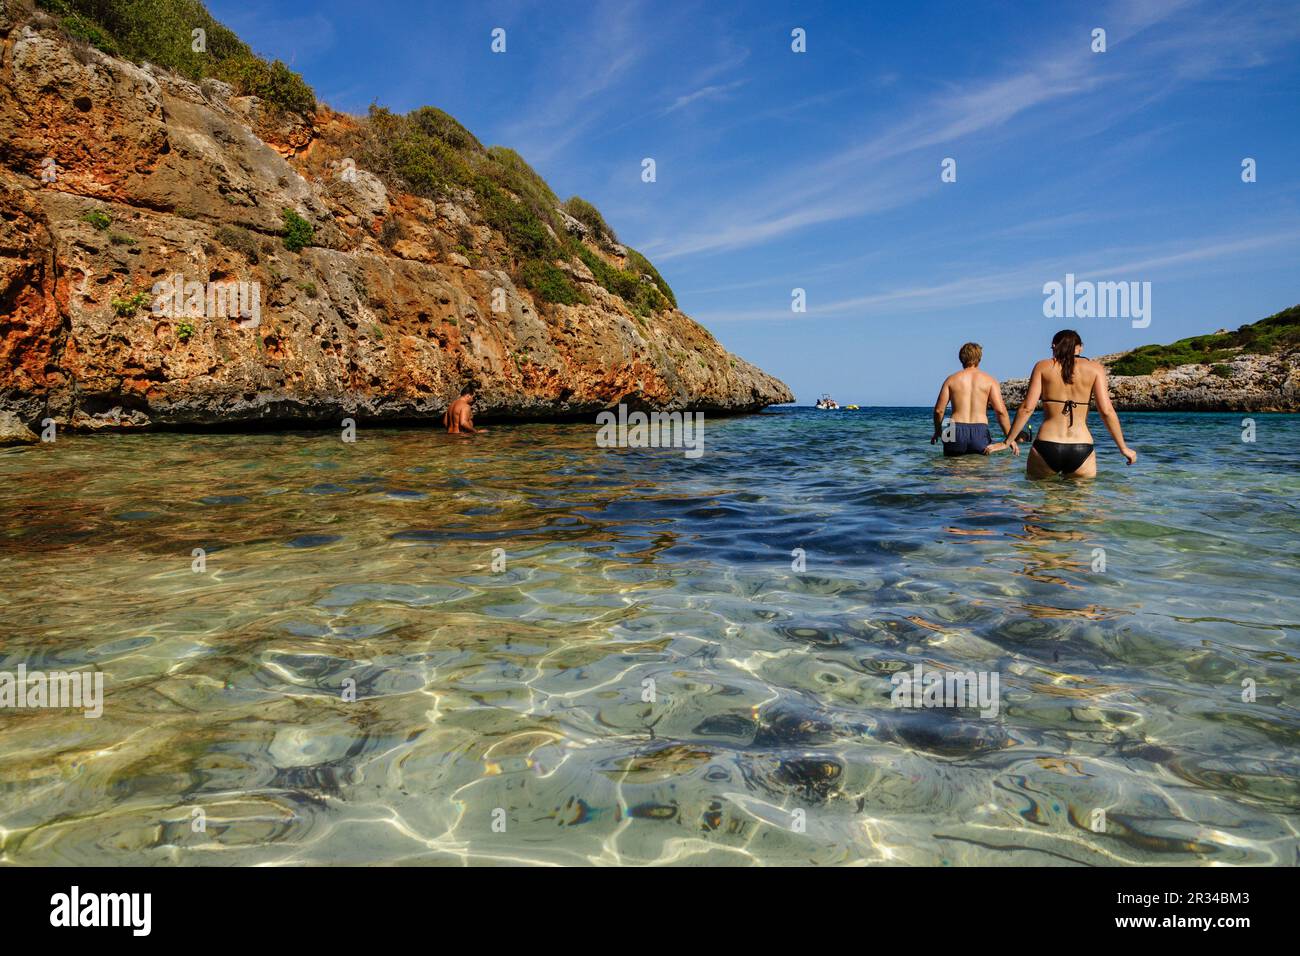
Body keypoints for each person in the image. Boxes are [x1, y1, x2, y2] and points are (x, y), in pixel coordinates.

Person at [986, 329, 1137, 477]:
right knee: (1077, 500)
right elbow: (1106, 411)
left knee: (1039, 499)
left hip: (1047, 445)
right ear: (1080, 347)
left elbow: (1027, 408)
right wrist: (1123, 448)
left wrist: (1007, 442)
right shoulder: (1096, 369)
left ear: (1054, 346)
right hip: (1081, 446)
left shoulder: (1043, 366)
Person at [930, 342, 1014, 456]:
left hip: (954, 429)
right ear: (979, 358)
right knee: (978, 471)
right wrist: (1010, 438)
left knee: (951, 470)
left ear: (961, 358)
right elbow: (1000, 412)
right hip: (979, 430)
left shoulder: (951, 380)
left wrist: (937, 431)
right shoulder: (990, 381)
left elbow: (939, 410)